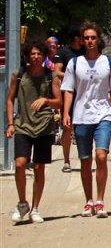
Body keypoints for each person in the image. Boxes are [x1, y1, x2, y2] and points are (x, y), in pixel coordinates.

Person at [61, 22, 111, 218]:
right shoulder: (74, 64)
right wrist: (65, 113)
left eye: (93, 37)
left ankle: (100, 200)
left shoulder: (109, 63)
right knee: (85, 160)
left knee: (101, 156)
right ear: (81, 40)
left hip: (103, 115)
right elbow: (69, 90)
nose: (89, 41)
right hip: (81, 116)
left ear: (98, 39)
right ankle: (88, 201)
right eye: (86, 38)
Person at [6, 41, 63, 224]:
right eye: (32, 54)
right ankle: (23, 202)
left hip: (44, 127)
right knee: (21, 164)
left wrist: (45, 100)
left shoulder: (50, 77)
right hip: (23, 125)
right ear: (27, 56)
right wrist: (10, 123)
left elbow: (58, 102)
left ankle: (35, 208)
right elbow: (9, 100)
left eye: (39, 54)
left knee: (39, 167)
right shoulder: (19, 75)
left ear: (45, 56)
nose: (36, 57)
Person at [56, 26, 86, 173]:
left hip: (84, 94)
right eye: (82, 37)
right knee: (67, 127)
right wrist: (72, 76)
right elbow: (57, 72)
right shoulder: (63, 53)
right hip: (68, 94)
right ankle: (66, 160)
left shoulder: (86, 52)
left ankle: (84, 158)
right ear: (76, 38)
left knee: (84, 127)